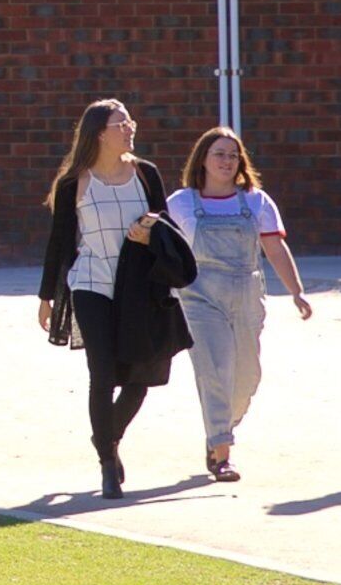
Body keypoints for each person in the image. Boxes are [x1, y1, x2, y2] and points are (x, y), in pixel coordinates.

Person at [33, 98, 196, 499]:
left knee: (141, 375)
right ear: (99, 133)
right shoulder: (74, 182)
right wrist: (47, 297)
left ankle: (107, 435)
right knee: (102, 374)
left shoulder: (145, 174)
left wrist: (150, 230)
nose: (130, 128)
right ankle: (108, 464)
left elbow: (165, 225)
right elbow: (59, 242)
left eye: (130, 122)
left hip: (138, 288)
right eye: (121, 124)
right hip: (91, 283)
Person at [168, 127, 313, 484]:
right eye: (219, 154)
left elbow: (274, 248)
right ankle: (222, 453)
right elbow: (161, 248)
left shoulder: (256, 202)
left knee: (247, 377)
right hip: (199, 297)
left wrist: (296, 291)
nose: (227, 161)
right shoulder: (180, 203)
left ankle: (220, 428)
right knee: (215, 371)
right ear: (202, 159)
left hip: (247, 296)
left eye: (233, 155)